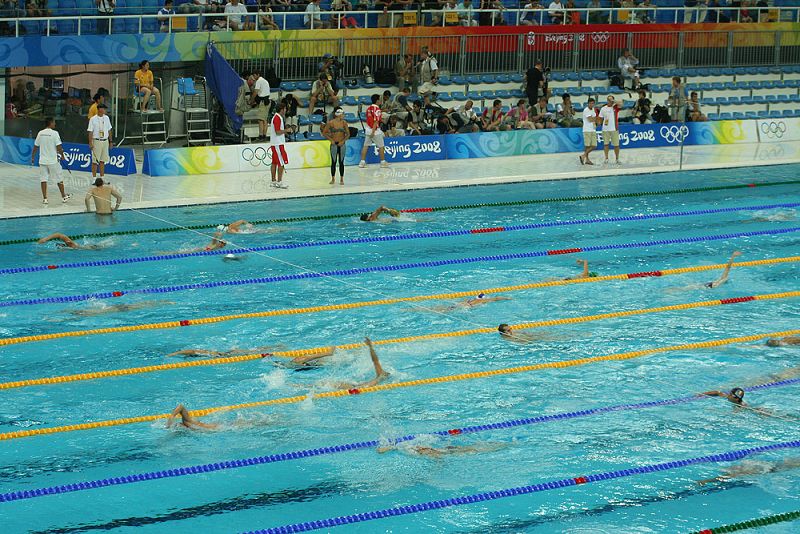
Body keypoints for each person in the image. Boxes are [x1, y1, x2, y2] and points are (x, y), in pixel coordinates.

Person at [31, 117, 70, 205]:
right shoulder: (55, 133)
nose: (55, 124)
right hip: (53, 161)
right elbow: (59, 147)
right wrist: (63, 156)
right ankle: (63, 196)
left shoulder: (40, 133)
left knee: (43, 179)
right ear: (50, 123)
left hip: (42, 161)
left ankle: (45, 199)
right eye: (54, 122)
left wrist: (33, 157)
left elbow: (35, 146)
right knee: (59, 178)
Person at [697, 457, 800, 486]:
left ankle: (707, 481)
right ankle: (707, 481)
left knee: (735, 474)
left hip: (771, 467)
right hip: (770, 468)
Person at [359, 94, 389, 168]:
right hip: (375, 131)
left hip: (368, 130)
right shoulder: (377, 109)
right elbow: (375, 121)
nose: (381, 101)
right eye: (380, 99)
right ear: (377, 100)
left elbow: (370, 119)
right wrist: (373, 131)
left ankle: (362, 162)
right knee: (381, 146)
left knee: (365, 146)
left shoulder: (368, 108)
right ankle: (383, 162)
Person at [322, 107, 350, 185]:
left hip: (342, 144)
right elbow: (324, 133)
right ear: (339, 115)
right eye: (342, 114)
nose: (344, 115)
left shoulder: (344, 123)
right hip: (334, 144)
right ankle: (333, 178)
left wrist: (343, 141)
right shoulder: (331, 123)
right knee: (333, 162)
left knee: (341, 162)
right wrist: (331, 140)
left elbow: (348, 134)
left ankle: (341, 179)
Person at [87, 103, 113, 182]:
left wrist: (110, 141)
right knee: (95, 161)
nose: (105, 110)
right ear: (100, 109)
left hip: (105, 141)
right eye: (104, 109)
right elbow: (90, 132)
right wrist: (90, 142)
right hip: (97, 141)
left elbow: (109, 130)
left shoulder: (107, 118)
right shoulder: (93, 119)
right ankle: (94, 179)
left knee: (103, 160)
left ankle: (102, 178)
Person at [69, 300, 172, 317]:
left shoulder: (91, 313)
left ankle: (164, 302)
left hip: (120, 308)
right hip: (120, 308)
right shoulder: (92, 313)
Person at [270, 102, 289, 188]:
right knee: (281, 163)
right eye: (285, 109)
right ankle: (279, 182)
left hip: (275, 143)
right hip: (278, 143)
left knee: (274, 162)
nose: (286, 110)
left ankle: (273, 181)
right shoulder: (277, 118)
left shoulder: (276, 117)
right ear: (282, 109)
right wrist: (287, 130)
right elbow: (278, 132)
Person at [249, 70, 271, 141]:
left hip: (263, 102)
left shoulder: (259, 81)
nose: (254, 77)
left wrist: (251, 100)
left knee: (260, 120)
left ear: (258, 75)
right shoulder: (264, 80)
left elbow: (255, 92)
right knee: (264, 120)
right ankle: (264, 135)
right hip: (267, 101)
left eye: (254, 75)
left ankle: (261, 136)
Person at [599, 95, 621, 165]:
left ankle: (617, 159)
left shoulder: (615, 108)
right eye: (609, 100)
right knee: (606, 144)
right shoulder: (603, 109)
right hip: (605, 129)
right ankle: (606, 158)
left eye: (611, 100)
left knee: (616, 145)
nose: (610, 101)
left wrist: (614, 101)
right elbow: (600, 118)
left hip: (614, 129)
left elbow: (621, 103)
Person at [580, 97, 599, 166]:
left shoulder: (593, 109)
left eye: (593, 103)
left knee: (594, 146)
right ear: (588, 103)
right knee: (587, 146)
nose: (591, 104)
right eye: (590, 103)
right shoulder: (586, 110)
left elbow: (593, 119)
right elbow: (590, 119)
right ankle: (587, 159)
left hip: (593, 129)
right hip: (587, 130)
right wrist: (596, 119)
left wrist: (595, 122)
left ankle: (583, 155)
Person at [37, 233, 103, 250]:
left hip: (93, 248)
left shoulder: (71, 245)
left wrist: (45, 239)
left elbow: (59, 234)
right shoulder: (70, 247)